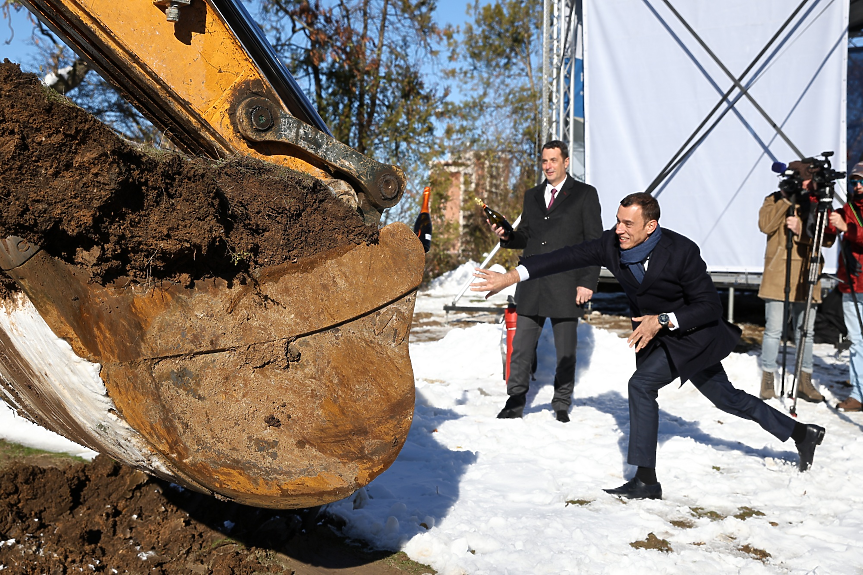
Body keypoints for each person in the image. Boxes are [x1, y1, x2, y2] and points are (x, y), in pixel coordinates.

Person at [472, 192, 826, 500]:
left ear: (650, 226)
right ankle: (802, 433)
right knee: (727, 398)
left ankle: (645, 480)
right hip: (653, 335)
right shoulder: (611, 244)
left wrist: (663, 319)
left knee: (641, 387)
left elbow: (709, 307)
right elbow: (562, 257)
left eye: (628, 223)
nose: (620, 229)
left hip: (692, 335)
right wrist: (511, 276)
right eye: (617, 221)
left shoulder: (682, 251)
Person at [487, 140, 602, 423]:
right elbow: (525, 233)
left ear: (565, 162)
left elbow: (595, 243)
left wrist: (587, 281)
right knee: (522, 347)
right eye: (544, 161)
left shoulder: (585, 195)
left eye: (553, 160)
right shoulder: (532, 195)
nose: (548, 166)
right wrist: (507, 236)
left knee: (566, 350)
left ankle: (562, 402)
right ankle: (515, 400)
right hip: (532, 281)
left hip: (567, 283)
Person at [757, 161, 834, 402]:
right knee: (773, 330)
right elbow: (765, 225)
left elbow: (828, 240)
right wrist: (785, 200)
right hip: (778, 271)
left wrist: (803, 229)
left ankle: (804, 380)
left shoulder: (815, 203)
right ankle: (768, 379)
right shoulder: (773, 199)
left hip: (806, 273)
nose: (803, 184)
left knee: (806, 332)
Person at [828, 163, 863, 412]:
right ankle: (858, 393)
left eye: (861, 181)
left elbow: (850, 231)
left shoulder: (849, 217)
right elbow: (828, 230)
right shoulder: (846, 209)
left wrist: (846, 229)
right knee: (857, 340)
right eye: (853, 182)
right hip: (851, 285)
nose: (858, 186)